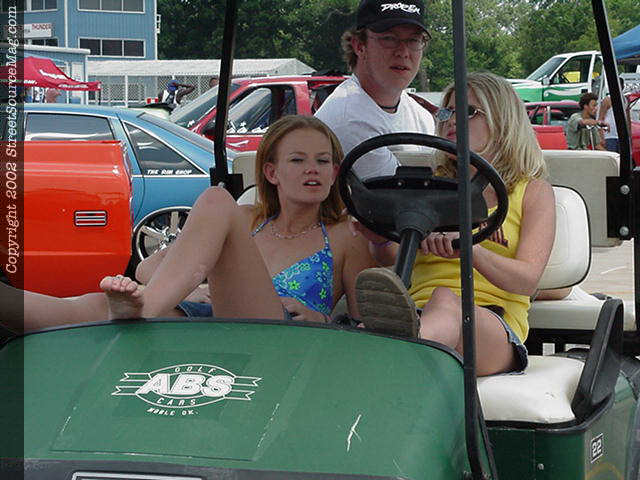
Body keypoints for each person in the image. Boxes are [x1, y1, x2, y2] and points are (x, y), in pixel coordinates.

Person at [2, 116, 376, 333]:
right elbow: (147, 267)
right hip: (209, 318)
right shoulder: (249, 219)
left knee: (216, 199)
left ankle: (144, 308)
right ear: (271, 172)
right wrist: (196, 286)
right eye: (298, 160)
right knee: (94, 308)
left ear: (335, 173)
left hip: (282, 336)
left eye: (323, 161)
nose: (312, 169)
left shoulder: (346, 234)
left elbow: (367, 329)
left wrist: (323, 318)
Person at [353, 72, 556, 376]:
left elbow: (527, 280)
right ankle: (399, 343)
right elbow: (392, 257)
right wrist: (378, 238)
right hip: (417, 311)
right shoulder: (430, 187)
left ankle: (397, 349)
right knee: (415, 312)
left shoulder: (532, 192)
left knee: (445, 300)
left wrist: (469, 249)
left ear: (503, 120)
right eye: (446, 112)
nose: (450, 120)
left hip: (492, 324)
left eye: (468, 111)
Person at [314, 0, 435, 180]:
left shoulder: (421, 116)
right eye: (389, 39)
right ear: (359, 46)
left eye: (413, 40)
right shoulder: (348, 119)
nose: (403, 52)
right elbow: (400, 195)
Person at [598, 77, 626, 153]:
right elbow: (600, 119)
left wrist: (629, 136)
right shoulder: (607, 100)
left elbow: (628, 119)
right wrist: (601, 137)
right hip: (609, 135)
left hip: (622, 136)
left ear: (623, 87)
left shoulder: (625, 100)